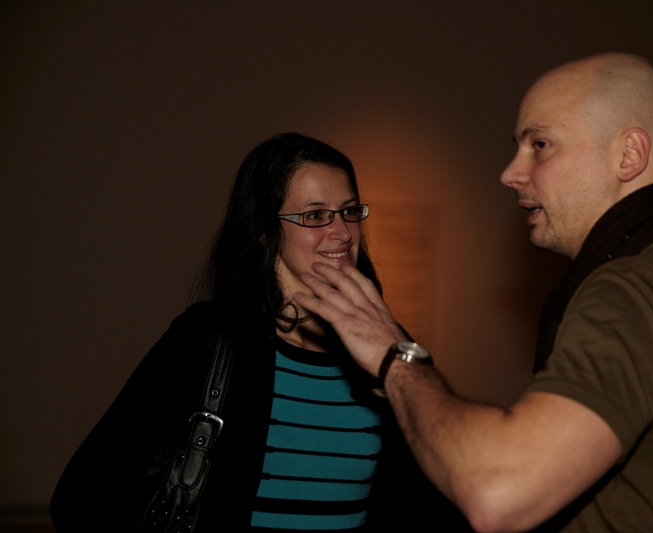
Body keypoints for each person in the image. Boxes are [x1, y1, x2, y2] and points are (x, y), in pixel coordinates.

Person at [294, 54, 653, 532]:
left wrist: (394, 355)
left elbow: (497, 492)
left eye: (539, 145)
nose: (510, 173)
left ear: (629, 155)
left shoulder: (635, 291)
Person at [50, 132, 468, 532]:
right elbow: (81, 498)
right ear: (265, 230)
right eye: (315, 215)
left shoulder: (388, 347)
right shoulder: (207, 337)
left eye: (350, 211)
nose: (342, 232)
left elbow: (431, 501)